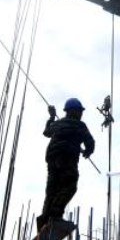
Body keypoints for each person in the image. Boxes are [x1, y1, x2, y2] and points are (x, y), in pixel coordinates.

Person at [38, 98, 94, 230]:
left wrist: (51, 117)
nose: (81, 114)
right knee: (70, 185)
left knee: (52, 188)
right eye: (80, 111)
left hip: (52, 157)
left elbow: (47, 132)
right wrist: (88, 151)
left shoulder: (58, 123)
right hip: (67, 156)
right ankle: (55, 214)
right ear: (74, 111)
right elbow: (90, 141)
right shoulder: (80, 125)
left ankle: (44, 219)